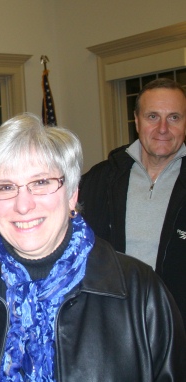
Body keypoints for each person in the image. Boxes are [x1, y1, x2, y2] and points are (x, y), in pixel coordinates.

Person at [0, 113, 186, 381]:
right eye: (6, 187)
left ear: (72, 194)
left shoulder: (138, 291)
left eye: (41, 183)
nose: (23, 205)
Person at [79, 78, 186, 330]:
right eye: (152, 116)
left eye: (174, 117)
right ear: (136, 121)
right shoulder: (101, 179)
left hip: (178, 331)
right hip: (110, 326)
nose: (162, 128)